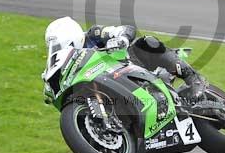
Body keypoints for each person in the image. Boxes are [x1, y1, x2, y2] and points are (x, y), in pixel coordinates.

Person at [44, 16, 206, 101]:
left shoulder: (94, 34)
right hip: (108, 86)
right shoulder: (67, 64)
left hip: (131, 66)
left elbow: (126, 29)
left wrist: (122, 38)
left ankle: (194, 78)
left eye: (63, 45)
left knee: (146, 42)